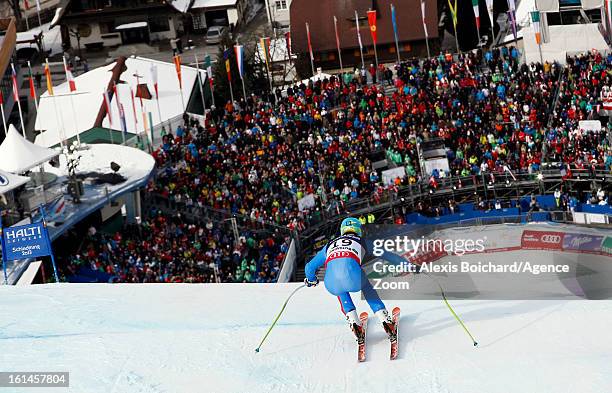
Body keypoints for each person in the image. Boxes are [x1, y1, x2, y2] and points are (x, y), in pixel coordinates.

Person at [303, 217, 397, 344]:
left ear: (342, 230)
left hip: (331, 284)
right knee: (366, 286)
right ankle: (385, 320)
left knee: (339, 286)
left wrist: (312, 280)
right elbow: (389, 255)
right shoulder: (363, 241)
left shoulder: (329, 245)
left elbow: (309, 267)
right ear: (358, 230)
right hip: (355, 280)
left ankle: (354, 322)